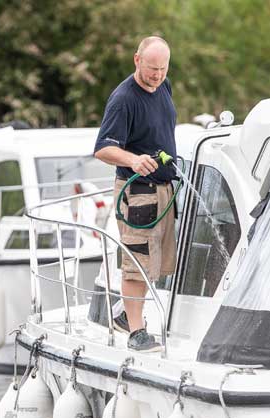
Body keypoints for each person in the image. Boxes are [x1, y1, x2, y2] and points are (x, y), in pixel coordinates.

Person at [93, 35, 177, 351]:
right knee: (137, 261)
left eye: (163, 68)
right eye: (152, 68)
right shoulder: (123, 99)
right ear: (136, 60)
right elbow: (102, 149)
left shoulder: (163, 87)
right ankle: (136, 333)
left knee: (157, 262)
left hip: (163, 190)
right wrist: (132, 159)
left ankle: (126, 315)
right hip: (137, 193)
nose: (157, 75)